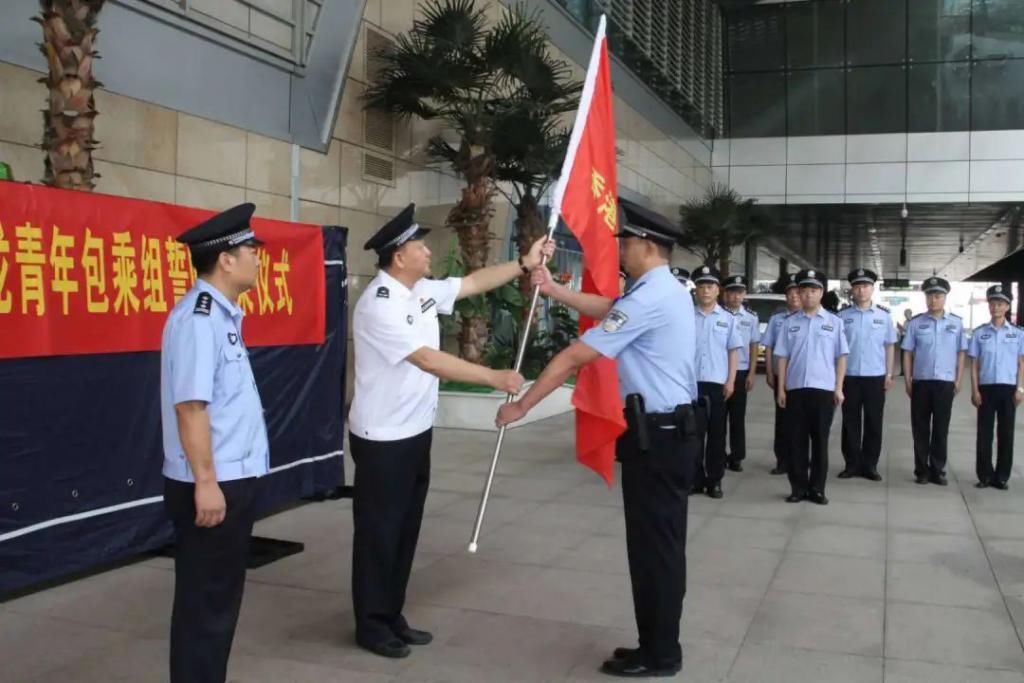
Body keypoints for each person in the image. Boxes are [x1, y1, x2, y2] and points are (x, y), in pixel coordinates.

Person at [497, 199, 699, 678]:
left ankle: (661, 654)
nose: (621, 251)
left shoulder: (651, 295)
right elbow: (609, 309)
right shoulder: (657, 290)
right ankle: (653, 642)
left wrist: (523, 404)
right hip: (663, 434)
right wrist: (553, 292)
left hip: (662, 437)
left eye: (626, 243)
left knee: (657, 551)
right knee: (654, 547)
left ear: (646, 246)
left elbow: (574, 356)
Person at [348, 202, 550, 658]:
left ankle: (390, 612)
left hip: (414, 432)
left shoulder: (419, 290)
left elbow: (473, 282)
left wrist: (525, 262)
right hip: (383, 440)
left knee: (404, 529)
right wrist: (494, 377)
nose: (427, 251)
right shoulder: (380, 304)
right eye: (420, 245)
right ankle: (372, 624)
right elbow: (427, 358)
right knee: (380, 533)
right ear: (399, 257)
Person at [160, 202, 269, 683]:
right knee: (206, 608)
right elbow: (191, 407)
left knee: (218, 602)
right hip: (212, 485)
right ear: (226, 259)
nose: (257, 258)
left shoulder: (222, 316)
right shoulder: (200, 319)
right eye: (251, 250)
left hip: (230, 479)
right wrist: (206, 482)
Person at [774, 269, 848, 505]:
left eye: (813, 290)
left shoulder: (834, 323)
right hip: (795, 389)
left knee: (820, 442)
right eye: (803, 290)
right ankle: (798, 487)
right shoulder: (789, 323)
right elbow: (782, 356)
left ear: (821, 293)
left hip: (823, 390)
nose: (807, 295)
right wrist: (781, 388)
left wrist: (839, 387)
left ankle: (817, 489)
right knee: (796, 442)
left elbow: (841, 357)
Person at [902, 277, 967, 486]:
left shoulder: (956, 323)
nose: (933, 300)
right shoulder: (916, 323)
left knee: (941, 428)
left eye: (937, 296)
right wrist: (908, 380)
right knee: (920, 428)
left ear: (945, 298)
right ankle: (921, 470)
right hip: (921, 382)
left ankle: (937, 469)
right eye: (929, 295)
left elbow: (961, 353)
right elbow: (907, 352)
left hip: (944, 383)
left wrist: (958, 379)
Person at [837, 268, 897, 482]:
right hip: (850, 377)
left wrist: (889, 374)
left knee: (873, 422)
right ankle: (852, 464)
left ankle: (870, 465)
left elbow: (889, 346)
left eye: (865, 286)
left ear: (873, 289)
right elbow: (838, 349)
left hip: (875, 377)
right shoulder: (842, 317)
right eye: (857, 286)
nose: (861, 290)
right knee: (850, 422)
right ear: (852, 289)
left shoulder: (884, 316)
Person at [691, 265, 742, 499]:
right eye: (701, 286)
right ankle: (695, 479)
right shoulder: (686, 316)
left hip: (717, 384)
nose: (705, 290)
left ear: (718, 290)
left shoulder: (727, 319)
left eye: (709, 286)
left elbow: (733, 352)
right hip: (691, 384)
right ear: (696, 290)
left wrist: (731, 381)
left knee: (716, 435)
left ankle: (714, 480)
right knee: (693, 435)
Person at [969, 284, 1024, 490]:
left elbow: (1021, 364)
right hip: (986, 388)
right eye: (993, 303)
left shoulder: (1018, 334)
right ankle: (984, 475)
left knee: (1006, 433)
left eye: (1000, 304)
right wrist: (974, 390)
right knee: (984, 433)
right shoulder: (980, 333)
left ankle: (1001, 477)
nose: (996, 308)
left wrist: (1020, 389)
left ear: (1008, 306)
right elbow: (974, 365)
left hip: (1009, 389)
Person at [762, 273, 801, 475]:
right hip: (781, 377)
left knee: (802, 422)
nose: (794, 296)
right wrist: (769, 372)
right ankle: (782, 460)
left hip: (802, 378)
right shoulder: (777, 319)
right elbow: (768, 347)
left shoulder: (810, 318)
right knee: (783, 420)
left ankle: (801, 460)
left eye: (797, 292)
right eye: (790, 293)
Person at [722, 274, 760, 473]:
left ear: (744, 294)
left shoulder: (751, 317)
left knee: (737, 417)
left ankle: (737, 456)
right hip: (719, 372)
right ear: (725, 293)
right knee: (719, 418)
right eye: (732, 292)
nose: (736, 297)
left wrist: (752, 373)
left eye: (740, 292)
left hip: (741, 371)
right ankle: (718, 455)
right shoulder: (718, 314)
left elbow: (754, 345)